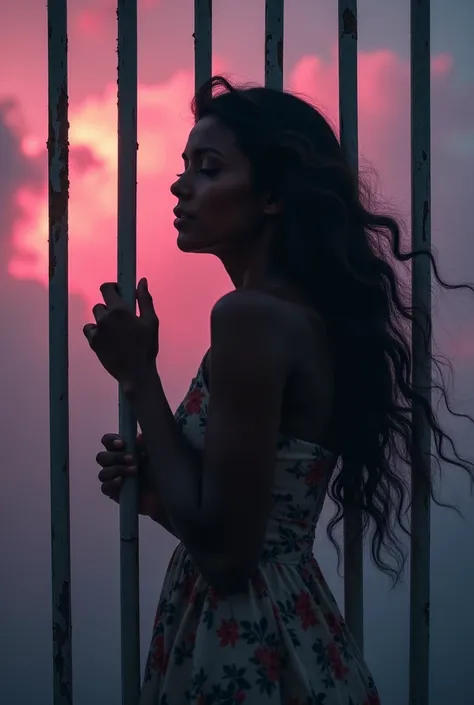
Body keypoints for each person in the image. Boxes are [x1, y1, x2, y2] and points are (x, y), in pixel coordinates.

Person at [84, 76, 473, 705]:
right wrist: (162, 494)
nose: (181, 184)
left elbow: (229, 556)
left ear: (270, 195)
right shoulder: (302, 315)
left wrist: (137, 376)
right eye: (185, 166)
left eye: (208, 168)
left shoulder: (249, 316)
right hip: (292, 625)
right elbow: (243, 518)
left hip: (244, 640)